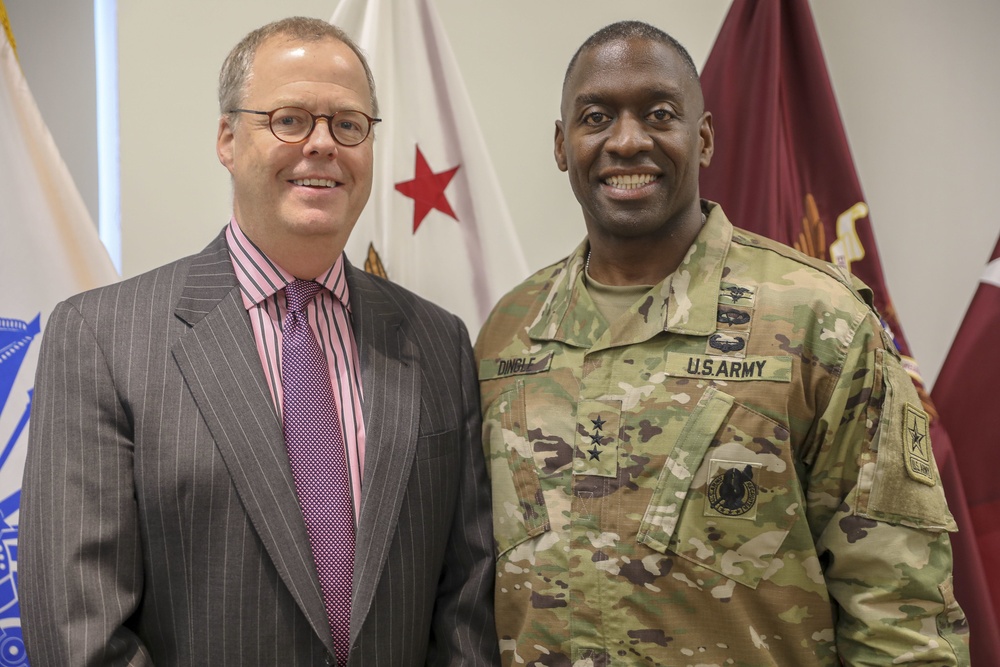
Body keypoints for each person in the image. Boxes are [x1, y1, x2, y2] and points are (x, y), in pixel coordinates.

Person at [475, 20, 969, 666]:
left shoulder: (819, 322)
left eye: (658, 113)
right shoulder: (508, 333)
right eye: (597, 117)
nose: (627, 140)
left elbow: (901, 622)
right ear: (563, 145)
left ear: (702, 138)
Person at [19, 17, 498, 666]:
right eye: (290, 119)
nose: (323, 144)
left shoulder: (438, 342)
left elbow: (465, 605)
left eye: (348, 124)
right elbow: (80, 633)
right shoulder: (103, 340)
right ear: (227, 137)